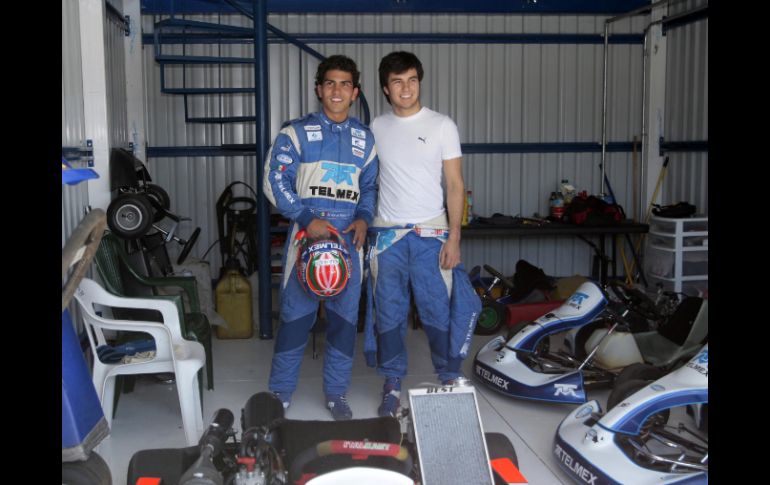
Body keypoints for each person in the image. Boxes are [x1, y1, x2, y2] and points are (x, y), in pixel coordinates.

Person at [364, 51, 480, 417]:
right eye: (397, 82)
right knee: (390, 314)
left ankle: (447, 377)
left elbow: (455, 184)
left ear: (419, 82)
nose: (406, 88)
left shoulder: (442, 125)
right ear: (386, 88)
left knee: (438, 312)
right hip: (388, 240)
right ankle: (392, 384)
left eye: (412, 80)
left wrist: (455, 238)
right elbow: (366, 183)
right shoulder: (375, 129)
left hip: (432, 235)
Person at [263, 55, 378, 420]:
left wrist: (363, 218)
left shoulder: (365, 138)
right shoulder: (295, 133)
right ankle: (279, 395)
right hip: (306, 238)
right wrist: (305, 218)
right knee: (296, 321)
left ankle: (336, 395)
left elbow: (371, 187)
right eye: (330, 83)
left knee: (344, 323)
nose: (337, 90)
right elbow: (273, 180)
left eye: (345, 84)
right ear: (318, 89)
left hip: (348, 241)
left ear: (355, 91)